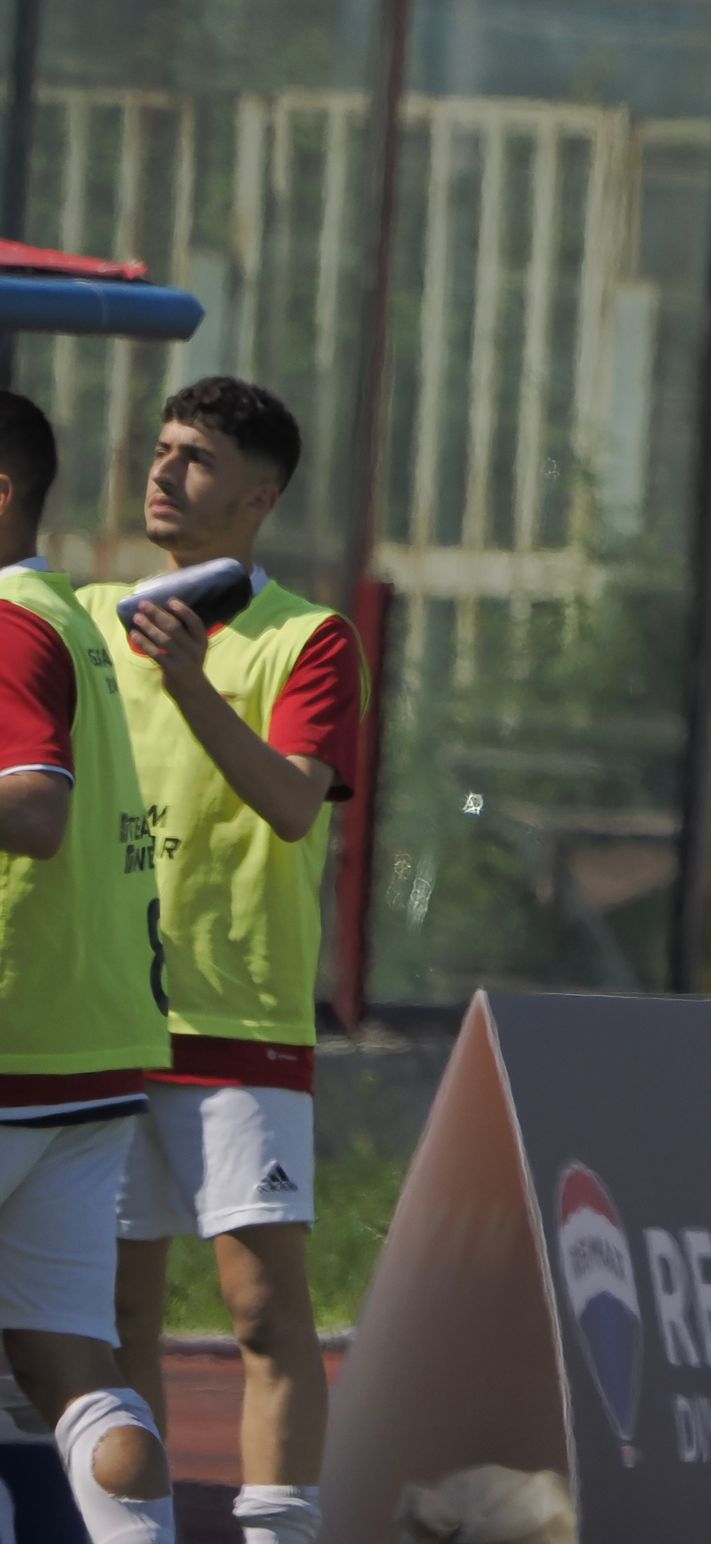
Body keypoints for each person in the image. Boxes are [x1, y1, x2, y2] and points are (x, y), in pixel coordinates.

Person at [83, 377, 364, 1544]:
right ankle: (127, 1528)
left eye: (194, 457)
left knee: (262, 1311)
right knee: (112, 1316)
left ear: (260, 495)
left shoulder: (306, 635)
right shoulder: (83, 617)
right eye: (160, 448)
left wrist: (190, 681)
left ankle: (278, 1532)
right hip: (99, 1020)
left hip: (237, 1020)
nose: (163, 471)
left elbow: (293, 805)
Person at [0, 388, 176, 1541]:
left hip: (13, 1038)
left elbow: (35, 806)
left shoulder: (7, 622)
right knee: (68, 1356)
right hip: (90, 1051)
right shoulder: (67, 616)